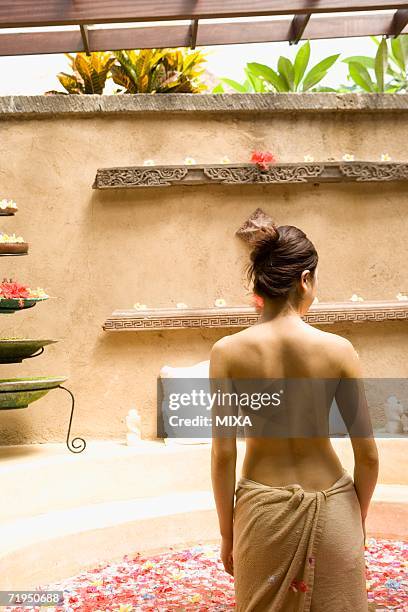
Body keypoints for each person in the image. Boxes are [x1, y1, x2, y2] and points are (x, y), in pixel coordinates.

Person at [210, 224, 379, 612]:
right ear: (304, 279)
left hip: (262, 513)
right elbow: (367, 455)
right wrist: (357, 518)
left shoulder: (227, 352)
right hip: (333, 507)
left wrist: (227, 533)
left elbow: (223, 455)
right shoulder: (339, 350)